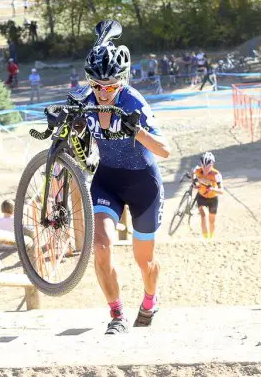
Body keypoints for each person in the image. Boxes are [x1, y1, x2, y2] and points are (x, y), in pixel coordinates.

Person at [79, 20, 171, 334]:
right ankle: (116, 314)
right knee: (101, 246)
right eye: (96, 86)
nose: (103, 93)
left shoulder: (133, 102)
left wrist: (137, 130)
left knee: (143, 260)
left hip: (143, 183)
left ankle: (150, 299)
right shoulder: (88, 97)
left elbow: (165, 150)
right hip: (107, 181)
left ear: (122, 81)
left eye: (110, 86)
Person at [192, 152, 223, 240]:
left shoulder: (216, 174)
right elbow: (193, 172)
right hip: (201, 196)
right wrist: (193, 182)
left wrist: (212, 189)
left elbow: (222, 191)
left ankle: (211, 238)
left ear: (212, 164)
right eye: (203, 166)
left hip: (213, 199)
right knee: (203, 216)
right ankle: (205, 238)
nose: (205, 169)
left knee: (211, 221)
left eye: (208, 166)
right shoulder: (198, 170)